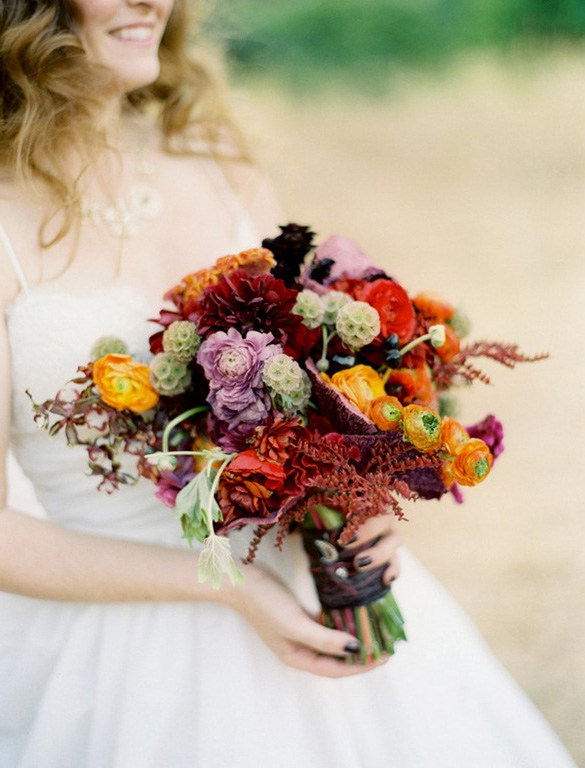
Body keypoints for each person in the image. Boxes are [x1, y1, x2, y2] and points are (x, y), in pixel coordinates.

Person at [0, 2, 577, 767]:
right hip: (120, 650)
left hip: (312, 597)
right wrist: (227, 585)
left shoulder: (215, 157)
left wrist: (357, 503)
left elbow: (315, 382)